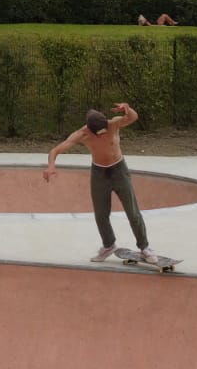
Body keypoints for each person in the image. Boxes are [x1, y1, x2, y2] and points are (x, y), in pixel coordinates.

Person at [43, 102, 158, 264]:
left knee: (132, 212)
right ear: (90, 130)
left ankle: (145, 247)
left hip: (119, 170)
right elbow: (55, 150)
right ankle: (108, 245)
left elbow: (133, 117)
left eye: (105, 131)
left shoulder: (113, 124)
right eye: (99, 134)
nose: (103, 135)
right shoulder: (82, 134)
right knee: (101, 214)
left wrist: (127, 108)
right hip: (99, 174)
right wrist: (51, 166)